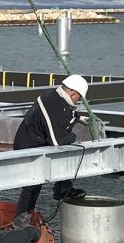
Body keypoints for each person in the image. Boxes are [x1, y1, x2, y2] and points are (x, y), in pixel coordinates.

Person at [12, 74, 89, 226]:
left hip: (39, 142)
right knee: (33, 184)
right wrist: (75, 135)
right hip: (28, 146)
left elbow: (65, 118)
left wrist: (77, 118)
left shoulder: (56, 97)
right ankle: (20, 223)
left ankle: (63, 188)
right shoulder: (54, 106)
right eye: (78, 98)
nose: (78, 101)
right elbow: (57, 141)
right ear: (73, 93)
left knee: (66, 153)